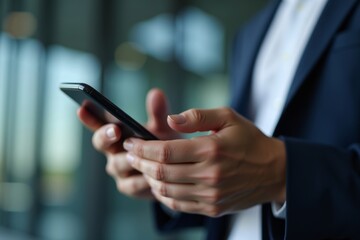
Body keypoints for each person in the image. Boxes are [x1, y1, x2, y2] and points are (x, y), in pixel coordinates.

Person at [78, 0, 360, 239]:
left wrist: (282, 174)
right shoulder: (249, 34)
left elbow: (263, 170)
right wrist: (179, 175)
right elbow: (240, 186)